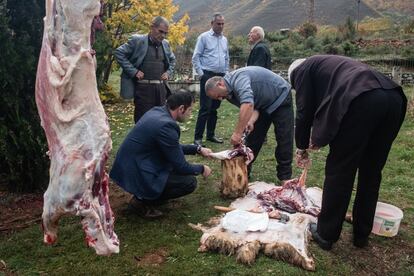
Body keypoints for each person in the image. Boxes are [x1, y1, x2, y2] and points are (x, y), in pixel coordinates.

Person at [289, 55, 407, 250]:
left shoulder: (301, 71)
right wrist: (320, 138)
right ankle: (362, 234)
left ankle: (326, 234)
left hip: (363, 98)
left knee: (341, 169)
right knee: (371, 171)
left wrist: (301, 146)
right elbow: (329, 105)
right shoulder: (326, 65)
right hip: (394, 98)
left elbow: (304, 111)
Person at [110, 91, 213, 218]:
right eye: (190, 110)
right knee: (189, 182)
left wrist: (197, 149)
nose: (190, 114)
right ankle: (142, 201)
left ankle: (151, 196)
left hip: (129, 164)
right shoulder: (167, 125)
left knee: (171, 168)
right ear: (181, 108)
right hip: (136, 170)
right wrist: (202, 168)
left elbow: (170, 148)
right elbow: (181, 166)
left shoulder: (157, 111)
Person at [205, 66, 294, 182]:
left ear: (220, 84)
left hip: (280, 96)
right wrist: (251, 121)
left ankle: (285, 178)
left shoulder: (239, 79)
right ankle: (243, 173)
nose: (220, 99)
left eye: (218, 96)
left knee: (284, 138)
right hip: (262, 104)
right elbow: (254, 107)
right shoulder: (228, 94)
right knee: (253, 139)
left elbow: (247, 104)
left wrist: (237, 133)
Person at [114, 16, 176, 123]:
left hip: (161, 89)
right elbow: (119, 53)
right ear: (152, 27)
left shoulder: (165, 44)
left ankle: (156, 140)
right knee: (142, 121)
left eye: (165, 33)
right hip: (143, 89)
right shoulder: (137, 40)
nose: (163, 35)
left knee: (160, 120)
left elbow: (172, 60)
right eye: (160, 31)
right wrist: (134, 71)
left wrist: (168, 72)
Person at [192, 13, 229, 146]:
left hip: (221, 76)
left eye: (222, 24)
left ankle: (211, 134)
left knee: (215, 107)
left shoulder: (224, 39)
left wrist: (226, 74)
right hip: (207, 75)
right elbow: (196, 57)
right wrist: (202, 74)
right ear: (211, 23)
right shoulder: (203, 37)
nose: (221, 26)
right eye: (218, 23)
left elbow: (226, 58)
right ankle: (197, 138)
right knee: (205, 107)